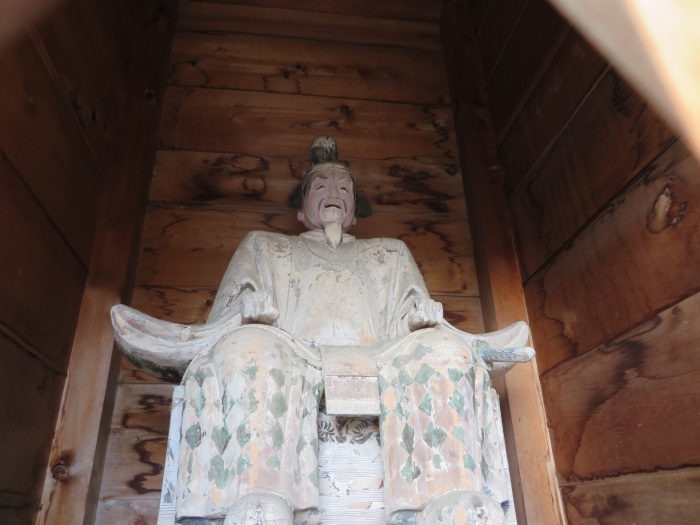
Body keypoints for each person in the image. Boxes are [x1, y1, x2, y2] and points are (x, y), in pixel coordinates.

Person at [112, 136, 533, 525]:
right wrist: (246, 310)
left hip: (381, 356)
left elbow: (411, 316)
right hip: (293, 353)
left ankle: (445, 496)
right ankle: (262, 497)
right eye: (321, 188)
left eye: (344, 190)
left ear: (355, 209)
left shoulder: (389, 253)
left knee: (443, 350)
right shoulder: (266, 246)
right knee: (249, 347)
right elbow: (228, 316)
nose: (334, 195)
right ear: (300, 209)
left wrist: (421, 317)